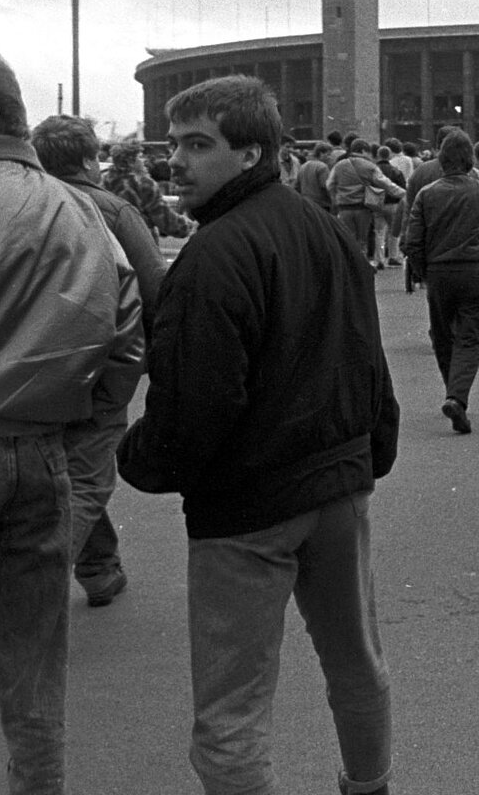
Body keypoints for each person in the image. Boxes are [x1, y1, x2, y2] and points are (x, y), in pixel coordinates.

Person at [117, 75, 399, 795]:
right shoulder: (326, 231)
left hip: (247, 506)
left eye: (197, 145)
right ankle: (370, 786)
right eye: (175, 143)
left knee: (231, 708)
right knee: (354, 663)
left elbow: (195, 407)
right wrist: (371, 449)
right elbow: (366, 354)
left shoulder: (214, 256)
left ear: (249, 154)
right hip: (336, 483)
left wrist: (137, 457)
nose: (176, 160)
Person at [0, 43, 143, 793]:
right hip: (44, 455)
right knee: (32, 684)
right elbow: (126, 333)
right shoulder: (81, 211)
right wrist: (81, 415)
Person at [31, 113, 167, 609]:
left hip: (31, 361)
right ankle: (26, 576)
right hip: (104, 362)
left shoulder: (26, 206)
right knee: (88, 472)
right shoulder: (112, 210)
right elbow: (154, 288)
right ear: (91, 159)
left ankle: (99, 567)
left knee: (64, 466)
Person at [404, 130, 479, 434]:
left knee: (443, 337)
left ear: (441, 160)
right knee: (470, 337)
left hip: (439, 272)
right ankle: (457, 395)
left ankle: (452, 391)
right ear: (469, 159)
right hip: (473, 270)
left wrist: (423, 272)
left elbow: (412, 241)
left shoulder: (426, 194)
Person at [329, 138, 404, 265]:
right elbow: (387, 184)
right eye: (368, 152)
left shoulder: (339, 165)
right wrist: (405, 193)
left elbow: (330, 184)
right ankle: (361, 266)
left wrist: (336, 198)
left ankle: (349, 265)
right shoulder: (369, 166)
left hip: (344, 208)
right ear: (363, 151)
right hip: (362, 208)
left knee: (348, 238)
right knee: (362, 240)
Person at [294, 140, 336, 210]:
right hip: (321, 204)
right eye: (328, 154)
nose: (330, 157)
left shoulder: (303, 166)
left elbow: (297, 186)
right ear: (321, 153)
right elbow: (325, 186)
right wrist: (333, 200)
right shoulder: (322, 167)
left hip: (306, 204)